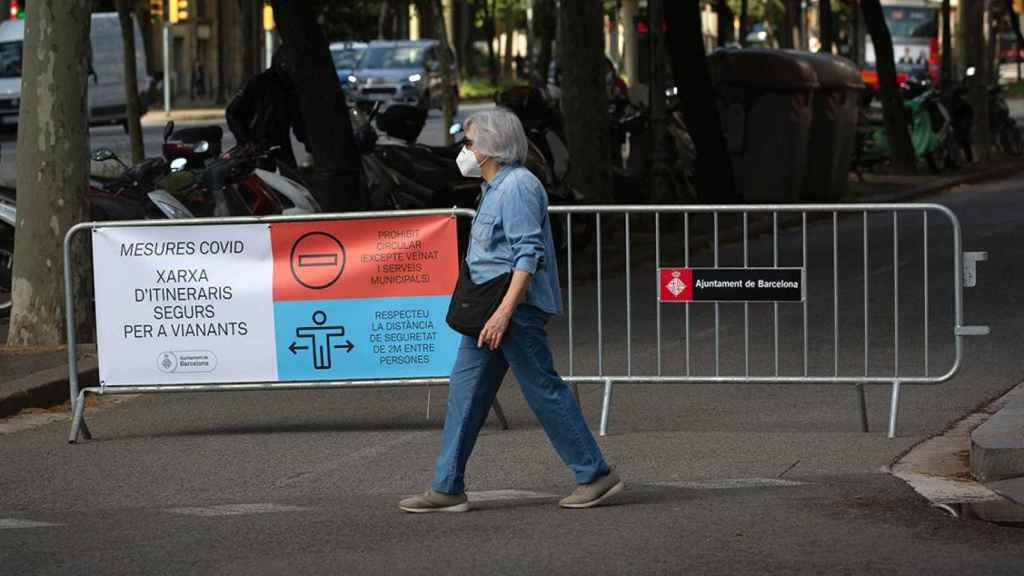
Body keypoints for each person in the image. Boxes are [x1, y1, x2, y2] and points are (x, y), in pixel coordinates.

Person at [398, 109, 623, 513]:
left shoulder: (517, 187)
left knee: (542, 389)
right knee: (465, 394)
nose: (464, 151)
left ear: (490, 147)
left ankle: (595, 474)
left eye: (469, 144)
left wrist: (503, 313)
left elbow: (526, 256)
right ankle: (447, 486)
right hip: (491, 310)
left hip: (512, 311)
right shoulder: (495, 187)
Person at [225, 46, 307, 169]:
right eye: (286, 65)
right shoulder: (259, 83)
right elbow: (232, 112)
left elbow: (298, 123)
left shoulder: (291, 90)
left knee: (292, 181)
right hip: (255, 149)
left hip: (281, 147)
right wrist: (246, 141)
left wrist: (311, 146)